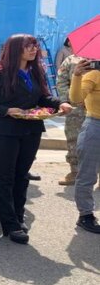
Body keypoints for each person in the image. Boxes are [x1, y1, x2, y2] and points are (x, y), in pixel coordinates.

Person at [0, 34, 72, 244]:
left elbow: (42, 97)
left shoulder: (36, 71)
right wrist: (5, 110)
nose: (33, 50)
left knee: (22, 175)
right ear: (15, 48)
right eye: (28, 46)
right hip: (4, 131)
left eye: (34, 46)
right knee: (6, 177)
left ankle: (18, 216)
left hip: (31, 130)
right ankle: (10, 225)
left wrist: (59, 104)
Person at [69, 58, 100, 233]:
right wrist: (77, 75)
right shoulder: (94, 74)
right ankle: (86, 215)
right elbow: (76, 98)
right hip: (95, 127)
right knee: (88, 175)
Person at [56, 54, 88, 186]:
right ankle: (75, 171)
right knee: (74, 139)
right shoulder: (72, 59)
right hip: (77, 108)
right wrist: (65, 100)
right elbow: (61, 80)